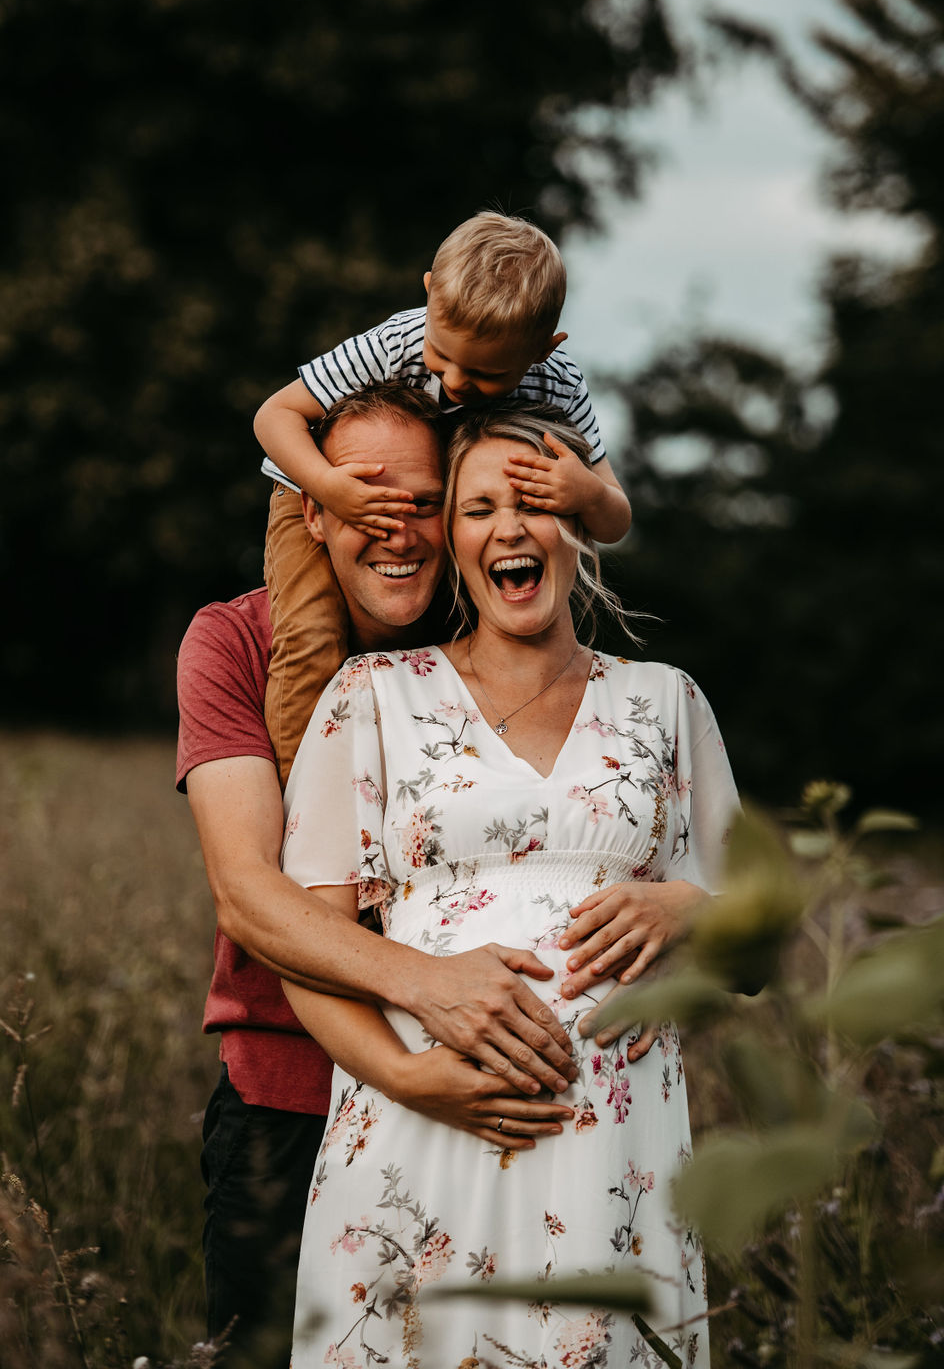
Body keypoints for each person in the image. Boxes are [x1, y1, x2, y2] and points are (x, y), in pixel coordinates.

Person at [179, 386, 660, 1365]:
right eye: (364, 499)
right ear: (309, 508)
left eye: (425, 504)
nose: (396, 531)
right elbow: (247, 892)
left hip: (495, 1107)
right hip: (292, 1102)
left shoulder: (500, 641)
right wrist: (425, 991)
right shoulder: (234, 640)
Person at [280, 406, 739, 1368]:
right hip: (417, 1126)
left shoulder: (666, 701)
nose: (512, 527)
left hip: (613, 1161)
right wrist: (414, 1079)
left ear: (578, 527)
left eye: (536, 500)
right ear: (451, 538)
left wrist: (686, 906)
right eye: (480, 505)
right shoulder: (371, 697)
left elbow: (761, 942)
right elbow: (308, 952)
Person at [253, 211, 632, 782]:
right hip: (315, 488)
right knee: (311, 637)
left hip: (440, 505)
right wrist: (330, 489)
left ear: (543, 349)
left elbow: (616, 517)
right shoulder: (395, 342)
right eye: (443, 354)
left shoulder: (560, 380)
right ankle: (300, 798)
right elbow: (274, 414)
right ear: (429, 292)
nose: (455, 380)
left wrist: (584, 490)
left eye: (485, 374)